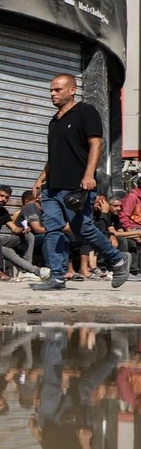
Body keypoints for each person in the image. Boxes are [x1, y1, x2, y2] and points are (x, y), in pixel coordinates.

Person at [31, 73, 129, 290]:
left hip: (76, 187)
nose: (53, 94)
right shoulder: (54, 121)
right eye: (51, 90)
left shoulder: (85, 112)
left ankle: (117, 260)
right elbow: (54, 157)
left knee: (84, 229)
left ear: (72, 90)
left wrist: (88, 175)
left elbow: (97, 144)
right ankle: (57, 276)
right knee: (53, 230)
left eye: (58, 90)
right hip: (52, 188)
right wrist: (40, 179)